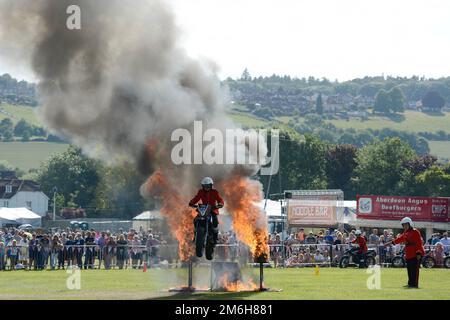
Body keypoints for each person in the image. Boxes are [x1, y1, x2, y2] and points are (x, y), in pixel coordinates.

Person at [384, 217, 425, 288]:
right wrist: (389, 243)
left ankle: (414, 284)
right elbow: (399, 239)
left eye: (406, 224)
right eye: (403, 225)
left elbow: (419, 243)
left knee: (414, 270)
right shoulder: (406, 232)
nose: (405, 226)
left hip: (415, 254)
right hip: (409, 254)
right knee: (409, 269)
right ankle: (410, 283)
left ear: (410, 224)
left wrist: (418, 253)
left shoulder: (415, 231)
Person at [189, 177, 224, 244]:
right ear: (202, 186)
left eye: (208, 186)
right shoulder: (200, 192)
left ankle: (215, 237)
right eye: (205, 186)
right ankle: (195, 235)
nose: (206, 188)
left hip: (212, 209)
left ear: (211, 185)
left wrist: (220, 204)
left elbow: (220, 199)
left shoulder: (215, 192)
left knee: (215, 222)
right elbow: (196, 198)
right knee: (195, 220)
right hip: (203, 209)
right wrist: (191, 202)